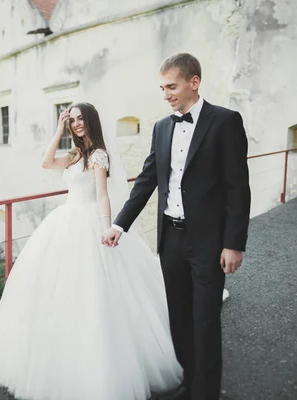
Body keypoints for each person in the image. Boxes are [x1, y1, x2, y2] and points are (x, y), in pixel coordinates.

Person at [0, 102, 183, 400]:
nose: (76, 124)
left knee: (96, 290)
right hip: (64, 220)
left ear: (91, 121)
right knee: (56, 288)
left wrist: (105, 227)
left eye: (79, 119)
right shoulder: (74, 154)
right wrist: (59, 129)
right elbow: (46, 162)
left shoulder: (98, 155)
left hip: (89, 219)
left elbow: (102, 195)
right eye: (71, 120)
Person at [103, 53, 251, 400]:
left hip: (209, 244)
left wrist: (234, 243)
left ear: (193, 82)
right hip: (171, 241)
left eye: (172, 86)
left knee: (205, 320)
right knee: (180, 319)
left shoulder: (225, 121)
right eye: (162, 88)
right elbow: (147, 181)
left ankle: (207, 392)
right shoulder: (161, 127)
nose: (166, 94)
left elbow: (237, 187)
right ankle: (189, 383)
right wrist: (119, 225)